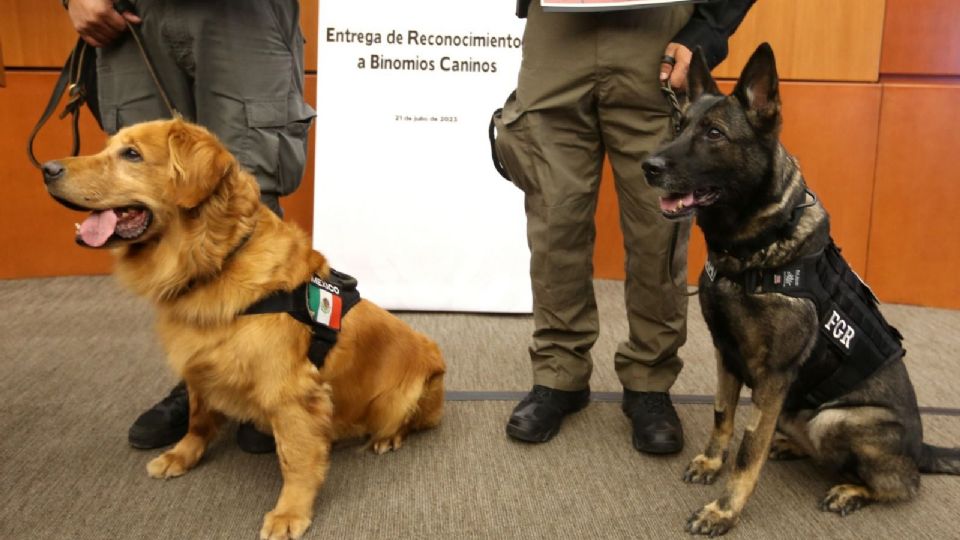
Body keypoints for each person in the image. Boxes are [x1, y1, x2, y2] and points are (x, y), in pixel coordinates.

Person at [496, 0, 755, 453]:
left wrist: (708, 29)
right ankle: (560, 373)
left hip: (656, 32)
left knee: (658, 227)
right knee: (555, 220)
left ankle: (649, 382)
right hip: (556, 32)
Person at [66, 0, 316, 453]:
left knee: (246, 180)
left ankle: (271, 377)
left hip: (243, 15)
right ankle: (199, 382)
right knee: (145, 189)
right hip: (130, 13)